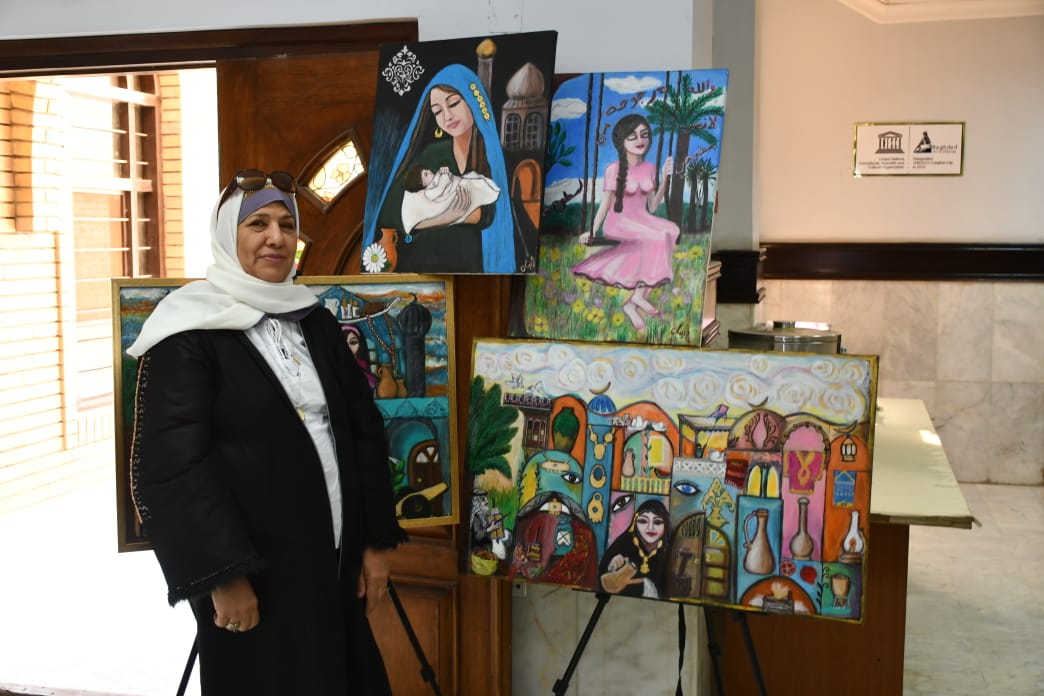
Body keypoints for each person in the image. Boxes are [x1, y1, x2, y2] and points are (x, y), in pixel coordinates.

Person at [127, 169, 407, 695]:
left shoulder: (313, 321)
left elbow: (363, 430)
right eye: (257, 224)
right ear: (226, 235)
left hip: (335, 567)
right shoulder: (188, 333)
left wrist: (375, 544)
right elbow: (175, 467)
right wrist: (224, 576)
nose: (276, 237)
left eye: (286, 224)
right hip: (255, 580)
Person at [362, 64, 515, 273]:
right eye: (437, 111)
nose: (447, 116)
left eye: (453, 103)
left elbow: (491, 214)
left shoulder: (492, 158)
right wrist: (447, 217)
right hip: (423, 270)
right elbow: (390, 211)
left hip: (474, 273)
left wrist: (449, 214)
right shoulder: (431, 155)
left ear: (472, 100)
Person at [573, 114, 681, 331]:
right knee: (656, 236)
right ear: (621, 141)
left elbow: (652, 206)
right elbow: (605, 205)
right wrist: (592, 230)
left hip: (642, 218)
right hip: (620, 221)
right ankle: (639, 297)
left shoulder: (650, 168)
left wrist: (664, 179)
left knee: (672, 229)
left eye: (644, 135)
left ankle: (632, 304)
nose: (640, 140)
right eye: (632, 136)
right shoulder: (613, 169)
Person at [598, 499, 671, 598]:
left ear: (666, 525)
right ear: (634, 523)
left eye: (657, 522)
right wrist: (612, 566)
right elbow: (604, 580)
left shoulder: (668, 549)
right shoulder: (624, 544)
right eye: (643, 521)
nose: (650, 528)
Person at [400, 164, 501, 237]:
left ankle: (487, 191)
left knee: (470, 185)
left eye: (426, 170)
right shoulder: (429, 193)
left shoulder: (434, 180)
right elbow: (442, 187)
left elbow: (447, 179)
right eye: (426, 174)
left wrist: (444, 173)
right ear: (422, 184)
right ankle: (488, 192)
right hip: (458, 199)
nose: (429, 171)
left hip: (464, 197)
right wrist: (445, 175)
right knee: (468, 187)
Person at [342, 323, 378, 394]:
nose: (349, 347)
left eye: (353, 342)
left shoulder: (366, 374)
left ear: (360, 344)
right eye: (343, 343)